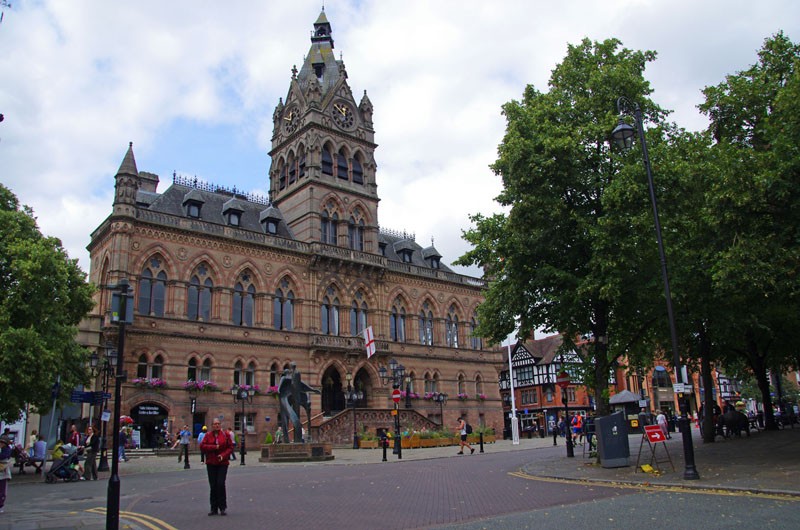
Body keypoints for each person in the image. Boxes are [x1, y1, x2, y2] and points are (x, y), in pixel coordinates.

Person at [200, 419, 233, 516]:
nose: (217, 426)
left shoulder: (225, 435)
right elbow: (202, 446)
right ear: (212, 425)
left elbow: (230, 447)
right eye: (215, 424)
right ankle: (213, 508)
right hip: (211, 463)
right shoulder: (208, 435)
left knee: (220, 483)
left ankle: (222, 507)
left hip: (222, 463)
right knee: (213, 485)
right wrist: (214, 447)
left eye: (218, 424)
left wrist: (223, 455)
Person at [0, 435, 12, 514]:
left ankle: (0, 505)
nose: (1, 444)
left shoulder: (7, 450)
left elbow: (3, 456)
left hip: (3, 471)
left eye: (2, 443)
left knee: (2, 490)